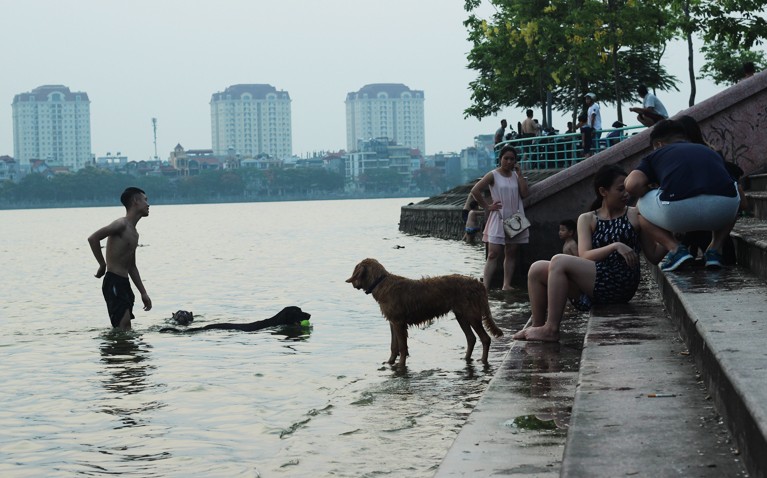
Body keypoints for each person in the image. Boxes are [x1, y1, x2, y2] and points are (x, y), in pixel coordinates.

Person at [512, 165, 665, 342]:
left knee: (558, 261)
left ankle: (551, 328)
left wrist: (672, 241)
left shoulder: (635, 214)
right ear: (603, 191)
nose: (626, 194)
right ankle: (538, 327)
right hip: (594, 281)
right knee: (536, 269)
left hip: (621, 285)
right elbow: (584, 255)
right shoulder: (587, 219)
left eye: (627, 189)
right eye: (620, 189)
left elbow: (653, 255)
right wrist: (615, 246)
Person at [625, 119, 740, 271]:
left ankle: (675, 249)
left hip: (677, 213)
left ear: (659, 144)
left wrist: (649, 191)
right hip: (722, 211)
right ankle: (715, 250)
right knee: (733, 196)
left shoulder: (657, 154)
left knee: (638, 208)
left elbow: (632, 185)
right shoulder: (710, 152)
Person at [88, 187, 153, 329]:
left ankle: (121, 350)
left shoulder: (134, 234)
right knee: (123, 325)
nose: (148, 204)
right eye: (145, 200)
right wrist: (102, 265)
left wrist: (143, 293)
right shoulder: (121, 224)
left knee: (125, 328)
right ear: (136, 201)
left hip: (124, 283)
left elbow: (132, 267)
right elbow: (93, 238)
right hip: (113, 281)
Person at [471, 145, 530, 290]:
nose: (509, 162)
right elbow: (475, 190)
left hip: (515, 216)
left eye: (512, 159)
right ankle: (485, 286)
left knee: (511, 252)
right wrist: (487, 206)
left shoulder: (516, 175)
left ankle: (506, 284)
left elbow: (525, 193)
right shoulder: (493, 174)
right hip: (498, 216)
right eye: (506, 158)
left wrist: (520, 175)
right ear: (500, 159)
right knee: (493, 253)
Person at [581, 93, 602, 157]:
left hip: (596, 128)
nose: (586, 100)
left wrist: (592, 128)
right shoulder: (589, 108)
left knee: (595, 144)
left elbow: (593, 117)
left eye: (588, 99)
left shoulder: (595, 106)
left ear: (592, 99)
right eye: (586, 99)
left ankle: (599, 157)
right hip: (592, 128)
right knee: (591, 144)